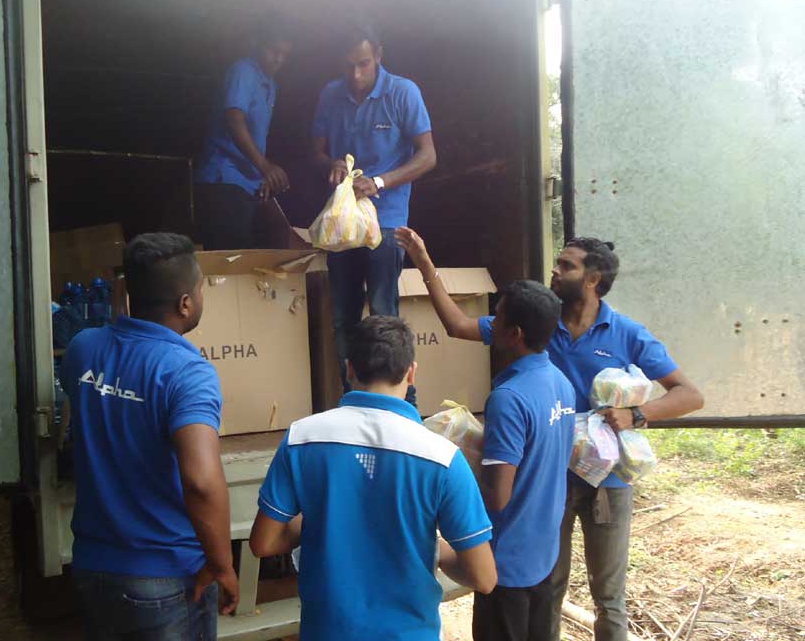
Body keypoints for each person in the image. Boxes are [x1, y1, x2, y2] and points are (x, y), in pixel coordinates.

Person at [394, 228, 705, 641]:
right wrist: (424, 262)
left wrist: (636, 414)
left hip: (606, 483)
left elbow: (690, 395)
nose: (555, 271)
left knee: (608, 595)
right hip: (551, 480)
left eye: (566, 266)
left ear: (593, 280)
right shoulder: (541, 322)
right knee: (547, 582)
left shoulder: (625, 334)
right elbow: (457, 324)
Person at [248, 315, 497, 640]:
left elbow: (263, 543)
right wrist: (434, 549)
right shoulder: (442, 458)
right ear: (411, 373)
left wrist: (323, 519)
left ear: (349, 369)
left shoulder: (302, 439)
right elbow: (484, 577)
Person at [59, 232, 239, 640]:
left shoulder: (83, 349)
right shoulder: (187, 372)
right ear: (185, 303)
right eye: (201, 288)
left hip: (93, 567)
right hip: (167, 577)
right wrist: (222, 564)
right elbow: (201, 481)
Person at [310, 23, 437, 394]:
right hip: (343, 225)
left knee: (384, 315)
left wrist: (380, 182)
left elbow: (428, 155)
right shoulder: (330, 95)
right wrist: (330, 164)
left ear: (379, 55)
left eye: (363, 64)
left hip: (386, 221)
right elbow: (315, 153)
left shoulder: (402, 92)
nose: (356, 74)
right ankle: (352, 399)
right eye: (349, 65)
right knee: (343, 318)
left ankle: (402, 403)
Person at [472, 280, 576, 641]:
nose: (491, 322)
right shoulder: (561, 383)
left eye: (497, 316)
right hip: (544, 551)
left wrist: (459, 468)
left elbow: (499, 497)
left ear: (514, 334)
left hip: (507, 563)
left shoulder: (509, 398)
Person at [194, 19, 294, 250]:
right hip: (225, 179)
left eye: (285, 55)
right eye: (274, 51)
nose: (279, 59)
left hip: (249, 183)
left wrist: (262, 176)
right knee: (231, 258)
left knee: (276, 235)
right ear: (258, 44)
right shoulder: (244, 71)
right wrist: (265, 167)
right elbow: (234, 119)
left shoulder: (271, 84)